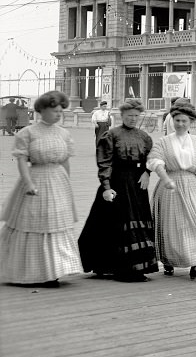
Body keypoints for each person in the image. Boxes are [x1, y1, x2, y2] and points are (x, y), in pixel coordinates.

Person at [0, 90, 84, 286]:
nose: (58, 114)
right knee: (35, 223)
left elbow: (65, 161)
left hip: (58, 181)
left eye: (61, 111)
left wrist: (67, 184)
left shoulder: (64, 133)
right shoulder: (27, 133)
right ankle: (32, 272)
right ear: (42, 110)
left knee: (56, 223)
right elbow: (21, 161)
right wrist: (28, 182)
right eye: (54, 110)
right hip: (36, 179)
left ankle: (54, 271)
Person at [77, 99, 158, 281]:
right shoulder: (111, 135)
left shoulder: (144, 137)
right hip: (117, 183)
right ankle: (117, 267)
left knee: (137, 221)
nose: (133, 119)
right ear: (121, 116)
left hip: (138, 185)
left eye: (136, 116)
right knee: (113, 223)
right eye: (129, 116)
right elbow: (104, 163)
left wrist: (147, 173)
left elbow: (152, 158)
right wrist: (106, 187)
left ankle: (138, 266)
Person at [147, 102, 196, 279]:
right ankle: (168, 262)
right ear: (172, 120)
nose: (180, 124)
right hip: (169, 186)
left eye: (184, 121)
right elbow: (155, 162)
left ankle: (195, 263)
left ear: (190, 122)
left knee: (193, 223)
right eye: (177, 120)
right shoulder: (163, 142)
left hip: (191, 185)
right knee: (170, 225)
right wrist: (165, 179)